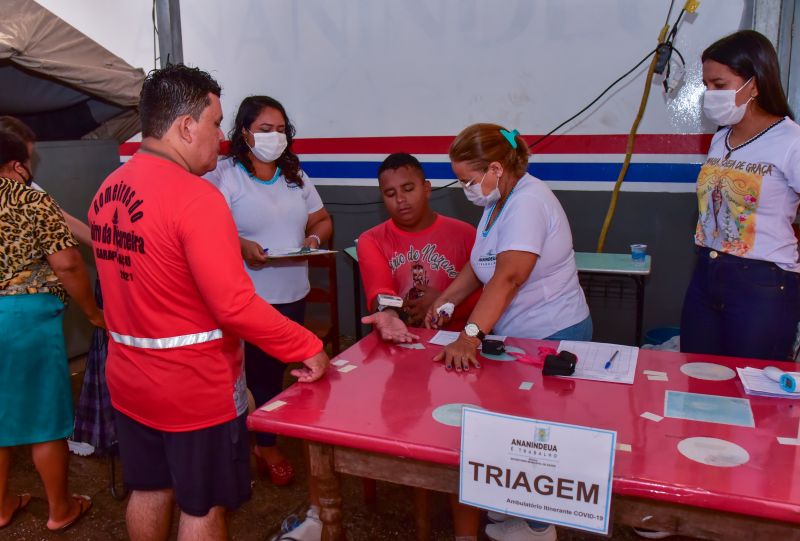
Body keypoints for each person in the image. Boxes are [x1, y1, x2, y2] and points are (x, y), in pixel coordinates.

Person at [89, 64, 329, 541]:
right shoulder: (196, 199)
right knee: (203, 506)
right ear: (184, 125)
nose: (221, 137)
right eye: (216, 122)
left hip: (130, 376)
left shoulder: (108, 190)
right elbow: (234, 304)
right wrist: (306, 345)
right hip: (192, 386)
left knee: (149, 489)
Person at [426, 123, 592, 541]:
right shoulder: (498, 203)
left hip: (554, 333)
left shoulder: (529, 203)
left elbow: (508, 277)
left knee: (539, 436)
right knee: (513, 426)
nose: (465, 187)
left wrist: (470, 334)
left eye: (467, 179)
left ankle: (540, 524)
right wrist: (445, 301)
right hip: (520, 335)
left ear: (496, 168)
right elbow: (479, 264)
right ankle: (520, 510)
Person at [204, 95, 332, 486]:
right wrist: (242, 246)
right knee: (247, 374)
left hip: (292, 290)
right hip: (246, 296)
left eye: (280, 130)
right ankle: (260, 442)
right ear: (244, 132)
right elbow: (207, 228)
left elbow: (323, 218)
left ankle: (264, 435)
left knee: (276, 371)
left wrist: (312, 239)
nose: (274, 137)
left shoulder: (295, 176)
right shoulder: (225, 174)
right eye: (264, 129)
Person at [0, 130, 103, 531]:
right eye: (28, 163)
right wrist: (94, 314)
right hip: (26, 319)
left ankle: (4, 505)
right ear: (15, 165)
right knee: (46, 421)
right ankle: (61, 509)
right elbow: (68, 265)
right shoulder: (32, 200)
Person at [680, 29, 800, 361]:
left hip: (762, 286)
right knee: (697, 378)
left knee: (753, 392)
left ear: (756, 84)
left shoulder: (791, 141)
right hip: (707, 274)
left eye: (719, 85)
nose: (710, 94)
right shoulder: (721, 139)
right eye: (706, 86)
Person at [358, 153, 479, 343]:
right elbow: (380, 289)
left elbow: (486, 295)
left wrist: (443, 305)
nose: (400, 199)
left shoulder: (466, 234)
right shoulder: (371, 239)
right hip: (399, 340)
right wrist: (390, 312)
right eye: (390, 194)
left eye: (408, 189)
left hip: (458, 343)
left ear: (426, 188)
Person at [0, 116, 92, 245]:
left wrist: (108, 248)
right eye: (26, 160)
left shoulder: (28, 190)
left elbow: (62, 219)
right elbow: (66, 264)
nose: (28, 169)